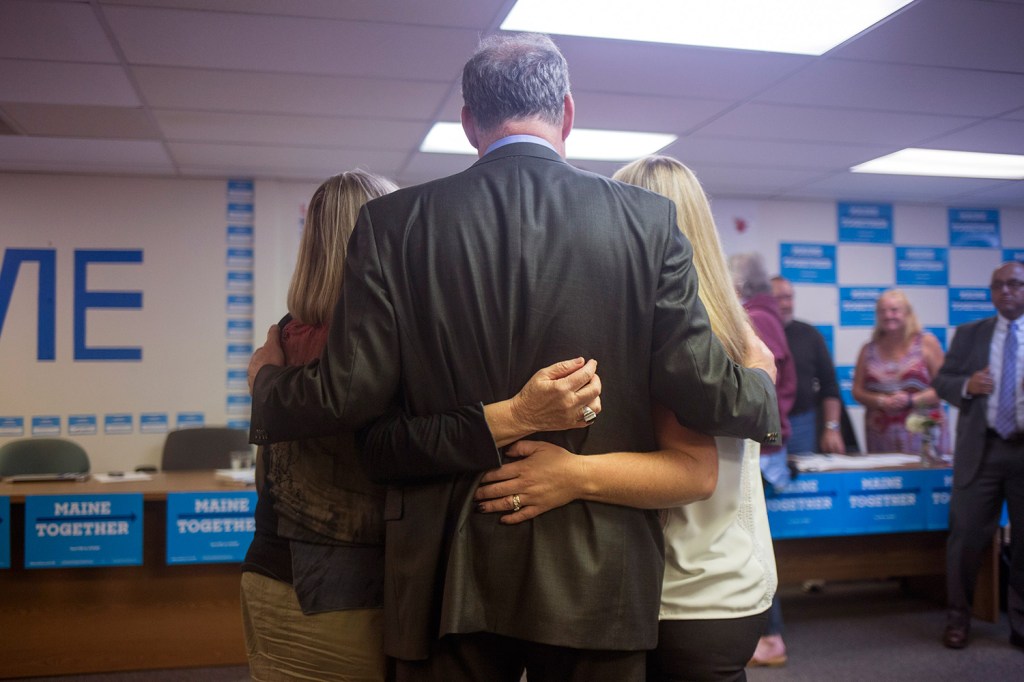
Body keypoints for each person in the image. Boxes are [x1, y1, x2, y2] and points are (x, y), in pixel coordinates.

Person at [248, 32, 780, 681]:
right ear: (568, 112)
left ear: (468, 121)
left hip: (448, 575)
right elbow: (704, 391)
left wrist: (268, 381)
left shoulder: (392, 224)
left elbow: (349, 401)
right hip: (596, 579)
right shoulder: (649, 222)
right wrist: (759, 381)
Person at [241, 170, 602, 680]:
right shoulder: (350, 348)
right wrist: (519, 415)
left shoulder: (285, 341)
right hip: (333, 585)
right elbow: (400, 443)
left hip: (310, 576)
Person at [473, 155, 778, 682]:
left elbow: (694, 472)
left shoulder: (680, 338)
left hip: (679, 592)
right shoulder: (738, 336)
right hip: (726, 582)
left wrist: (569, 474)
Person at [933, 260, 1024, 652]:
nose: (1006, 291)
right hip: (981, 451)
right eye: (998, 286)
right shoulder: (971, 334)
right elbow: (942, 380)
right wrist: (966, 385)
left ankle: (1020, 625)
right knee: (965, 539)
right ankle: (959, 619)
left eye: (1015, 284)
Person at [729, 253, 796, 669]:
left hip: (762, 448)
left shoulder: (758, 319)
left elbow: (760, 390)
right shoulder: (770, 316)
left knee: (751, 544)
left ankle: (770, 637)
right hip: (769, 443)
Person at [852, 289, 946, 454]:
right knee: (885, 479)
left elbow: (945, 388)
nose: (888, 315)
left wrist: (911, 399)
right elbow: (857, 391)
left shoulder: (926, 343)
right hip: (880, 436)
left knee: (925, 479)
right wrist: (881, 401)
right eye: (882, 311)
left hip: (924, 435)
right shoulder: (867, 349)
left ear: (908, 313)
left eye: (894, 310)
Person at [770, 276, 847, 455]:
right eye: (779, 298)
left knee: (805, 482)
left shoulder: (810, 334)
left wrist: (832, 428)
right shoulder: (753, 333)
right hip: (767, 426)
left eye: (789, 297)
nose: (786, 304)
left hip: (802, 424)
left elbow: (830, 386)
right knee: (766, 476)